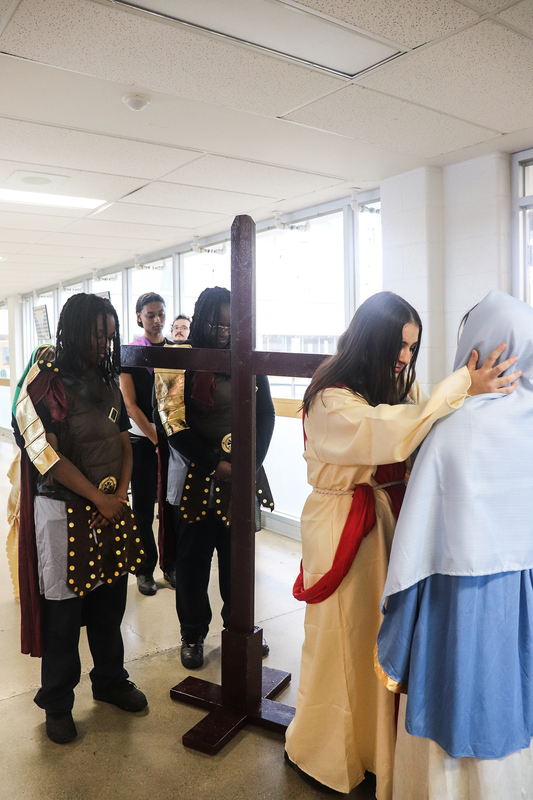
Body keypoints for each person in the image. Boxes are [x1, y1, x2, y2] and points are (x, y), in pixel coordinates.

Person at [283, 290, 520, 798]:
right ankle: (329, 754)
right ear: (371, 340)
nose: (406, 357)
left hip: (386, 519)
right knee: (339, 642)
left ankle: (375, 753)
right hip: (343, 520)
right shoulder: (329, 398)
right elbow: (391, 433)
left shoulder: (396, 383)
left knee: (377, 641)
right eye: (399, 346)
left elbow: (421, 424)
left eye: (412, 347)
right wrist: (463, 385)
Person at [376, 290, 533, 800]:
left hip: (455, 598)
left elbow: (417, 538)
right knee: (509, 691)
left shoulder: (452, 428)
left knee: (455, 692)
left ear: (477, 347)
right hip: (516, 596)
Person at [14, 293, 147, 745]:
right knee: (64, 616)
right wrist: (98, 499)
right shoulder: (46, 384)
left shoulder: (107, 379)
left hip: (109, 509)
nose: (104, 344)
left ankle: (109, 681)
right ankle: (57, 702)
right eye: (96, 335)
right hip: (62, 512)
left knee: (110, 605)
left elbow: (124, 441)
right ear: (73, 331)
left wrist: (119, 496)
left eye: (109, 336)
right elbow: (48, 459)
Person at [155, 286, 275, 669]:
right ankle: (192, 633)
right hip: (195, 475)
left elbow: (266, 413)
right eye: (215, 324)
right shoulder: (178, 359)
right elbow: (172, 424)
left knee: (238, 560)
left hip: (240, 476)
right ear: (199, 319)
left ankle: (240, 624)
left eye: (229, 325)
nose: (223, 332)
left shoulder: (246, 355)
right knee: (193, 562)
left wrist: (250, 464)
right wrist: (214, 465)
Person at [120, 292, 175, 595]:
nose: (157, 320)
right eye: (150, 314)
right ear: (139, 317)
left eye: (161, 313)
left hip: (175, 442)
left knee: (171, 506)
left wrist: (170, 440)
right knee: (142, 508)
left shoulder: (175, 352)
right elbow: (130, 405)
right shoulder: (131, 354)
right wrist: (156, 439)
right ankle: (144, 569)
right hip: (143, 442)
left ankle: (171, 564)